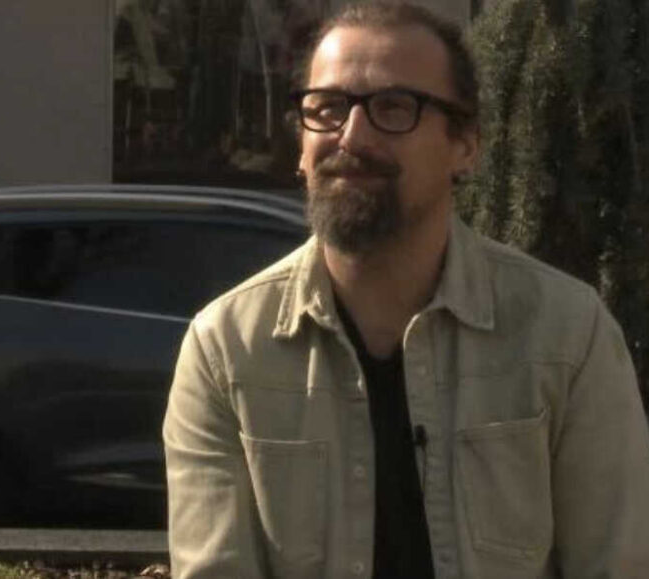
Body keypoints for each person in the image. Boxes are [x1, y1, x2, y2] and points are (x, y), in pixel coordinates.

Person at [162, 2, 649, 577]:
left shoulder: (567, 335)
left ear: (465, 144)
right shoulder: (226, 350)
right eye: (327, 108)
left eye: (394, 107)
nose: (351, 135)